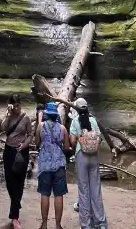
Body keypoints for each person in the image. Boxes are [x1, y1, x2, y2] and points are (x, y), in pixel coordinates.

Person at [69, 97, 107, 229]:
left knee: (83, 190)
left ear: (77, 110)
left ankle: (86, 224)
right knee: (96, 189)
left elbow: (73, 142)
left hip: (81, 156)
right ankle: (101, 223)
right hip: (94, 156)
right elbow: (99, 139)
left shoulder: (75, 121)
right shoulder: (93, 121)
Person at [35, 101, 71, 229]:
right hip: (59, 164)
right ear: (56, 115)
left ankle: (44, 224)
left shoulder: (41, 126)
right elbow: (67, 147)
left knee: (44, 194)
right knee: (58, 195)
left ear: (46, 114)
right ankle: (57, 224)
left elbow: (37, 143)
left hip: (44, 164)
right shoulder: (62, 129)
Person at [2, 94, 34, 229]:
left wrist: (25, 145)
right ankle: (16, 202)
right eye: (14, 105)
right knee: (9, 180)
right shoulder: (8, 117)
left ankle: (15, 216)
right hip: (9, 151)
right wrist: (8, 115)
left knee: (19, 182)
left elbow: (30, 134)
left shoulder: (25, 118)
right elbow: (3, 129)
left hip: (21, 152)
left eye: (18, 105)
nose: (17, 108)